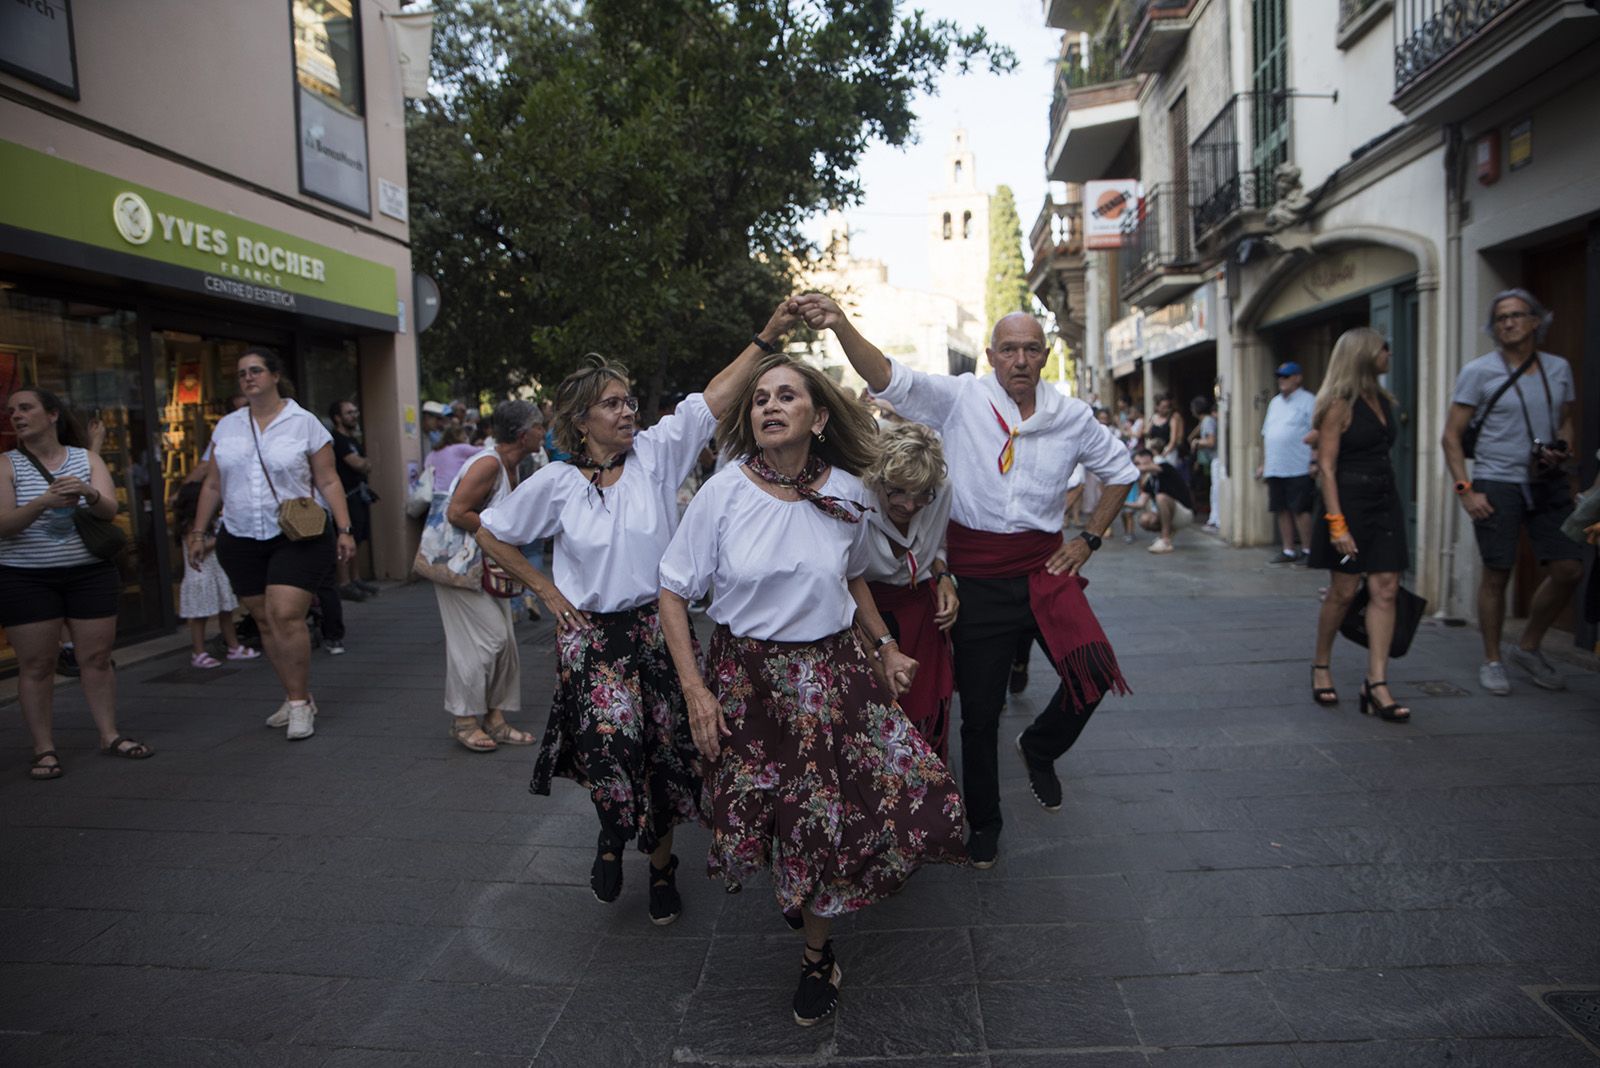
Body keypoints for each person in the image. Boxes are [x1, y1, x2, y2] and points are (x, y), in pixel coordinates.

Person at [658, 350, 965, 1026]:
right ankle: (804, 890)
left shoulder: (849, 492)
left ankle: (816, 955)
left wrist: (884, 647)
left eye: (786, 396)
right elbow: (673, 592)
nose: (770, 406)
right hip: (746, 683)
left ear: (819, 417)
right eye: (760, 398)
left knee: (842, 811)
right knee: (772, 815)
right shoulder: (723, 493)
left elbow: (851, 578)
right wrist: (695, 691)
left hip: (830, 677)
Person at [476, 305, 800, 926]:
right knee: (610, 755)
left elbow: (713, 398)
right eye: (612, 404)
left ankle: (660, 868)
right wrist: (545, 590)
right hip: (591, 639)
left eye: (629, 401)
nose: (628, 412)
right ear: (581, 420)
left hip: (657, 632)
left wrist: (767, 336)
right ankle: (610, 833)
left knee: (662, 761)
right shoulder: (557, 483)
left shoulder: (655, 455)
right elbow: (491, 533)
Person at [796, 294, 1136, 870]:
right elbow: (889, 377)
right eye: (1009, 349)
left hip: (1044, 567)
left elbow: (1121, 472)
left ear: (1045, 355)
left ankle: (1040, 747)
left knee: (1096, 671)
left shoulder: (1073, 416)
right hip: (975, 575)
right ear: (991, 355)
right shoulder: (961, 399)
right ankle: (985, 822)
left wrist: (1089, 539)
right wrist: (842, 325)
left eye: (1031, 349)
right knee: (979, 713)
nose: (1020, 360)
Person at [187, 347, 357, 741]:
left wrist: (344, 528)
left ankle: (298, 706)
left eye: (256, 370)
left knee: (285, 615)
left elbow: (329, 479)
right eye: (242, 373)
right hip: (240, 534)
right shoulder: (227, 427)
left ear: (275, 376)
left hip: (297, 534)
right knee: (265, 620)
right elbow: (212, 485)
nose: (248, 378)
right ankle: (297, 695)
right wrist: (198, 532)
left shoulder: (304, 423)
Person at [1, 387, 153, 779]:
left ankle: (109, 734)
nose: (16, 416)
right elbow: (3, 525)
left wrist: (87, 491)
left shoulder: (87, 459)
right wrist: (42, 503)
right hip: (26, 578)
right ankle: (44, 748)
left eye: (26, 408)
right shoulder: (6, 464)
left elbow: (109, 510)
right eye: (12, 411)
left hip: (89, 574)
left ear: (52, 414)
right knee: (37, 664)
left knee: (97, 658)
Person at [1442, 289, 1581, 695]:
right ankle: (1492, 659)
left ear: (1536, 322)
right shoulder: (1478, 372)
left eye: (1517, 315)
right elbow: (1450, 437)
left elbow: (1566, 420)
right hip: (1496, 481)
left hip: (1547, 481)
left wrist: (1563, 450)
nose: (1508, 323)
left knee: (1569, 569)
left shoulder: (1558, 368)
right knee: (1497, 573)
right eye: (1501, 318)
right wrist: (1466, 491)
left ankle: (1528, 646)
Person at [422, 401, 544, 754]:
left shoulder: (510, 465)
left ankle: (495, 719)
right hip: (460, 567)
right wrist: (501, 530)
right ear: (522, 434)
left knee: (506, 643)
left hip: (487, 566)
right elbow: (457, 512)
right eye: (539, 426)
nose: (544, 432)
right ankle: (464, 720)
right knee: (486, 641)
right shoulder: (488, 463)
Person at [1306, 328, 1411, 722]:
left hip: (1385, 501)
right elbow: (1327, 467)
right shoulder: (1338, 404)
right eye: (1384, 348)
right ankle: (1321, 664)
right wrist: (1337, 525)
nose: (1388, 354)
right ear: (1364, 354)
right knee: (1344, 591)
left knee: (1387, 588)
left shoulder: (1382, 399)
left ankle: (1376, 682)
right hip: (1348, 503)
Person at [859, 421, 958, 759]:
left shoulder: (941, 492)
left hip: (918, 608)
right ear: (879, 480)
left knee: (926, 709)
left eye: (922, 494)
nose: (910, 505)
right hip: (864, 613)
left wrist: (945, 577)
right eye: (898, 491)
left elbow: (937, 543)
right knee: (874, 715)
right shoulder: (857, 495)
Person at [172, 481, 259, 669]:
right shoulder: (192, 526)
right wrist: (219, 539)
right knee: (200, 616)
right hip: (201, 576)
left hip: (216, 573)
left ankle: (233, 646)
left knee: (226, 611)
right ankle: (199, 652)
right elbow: (197, 548)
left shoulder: (211, 523)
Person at [1260, 361, 1316, 563]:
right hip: (1276, 465)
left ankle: (1308, 550)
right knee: (1281, 509)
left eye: (1286, 376)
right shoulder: (1275, 403)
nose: (1281, 380)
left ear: (1297, 378)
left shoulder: (1309, 401)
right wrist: (1263, 463)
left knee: (1301, 509)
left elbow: (1317, 432)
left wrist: (1315, 460)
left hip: (1298, 465)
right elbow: (1267, 434)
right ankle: (1288, 549)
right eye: (1280, 377)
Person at [328, 399, 379, 602]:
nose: (354, 416)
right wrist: (363, 464)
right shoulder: (337, 441)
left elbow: (366, 465)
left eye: (355, 412)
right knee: (344, 536)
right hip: (345, 496)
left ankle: (355, 578)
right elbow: (358, 464)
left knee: (356, 538)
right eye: (349, 413)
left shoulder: (352, 440)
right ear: (337, 418)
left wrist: (364, 464)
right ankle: (344, 582)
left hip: (358, 494)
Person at [1131, 447, 1196, 554]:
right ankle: (1167, 534)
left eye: (1138, 463)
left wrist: (1131, 470)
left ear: (1147, 458)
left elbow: (1152, 468)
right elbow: (1140, 504)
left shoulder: (1165, 467)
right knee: (1144, 520)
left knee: (1161, 497)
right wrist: (1120, 503)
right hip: (1171, 514)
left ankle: (1165, 540)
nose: (1137, 466)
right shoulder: (1150, 481)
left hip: (1184, 512)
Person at [1189, 395, 1218, 528]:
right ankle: (1214, 519)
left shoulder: (1207, 421)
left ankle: (1214, 520)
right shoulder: (1206, 421)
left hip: (1216, 458)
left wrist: (1197, 442)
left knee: (1215, 491)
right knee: (1214, 490)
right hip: (1213, 459)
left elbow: (1211, 441)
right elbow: (1190, 436)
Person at [1144, 392, 1184, 468]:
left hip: (1168, 451)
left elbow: (1173, 440)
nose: (1166, 410)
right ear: (1157, 407)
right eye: (1163, 407)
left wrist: (1164, 453)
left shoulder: (1172, 419)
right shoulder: (1153, 418)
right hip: (1155, 451)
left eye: (1167, 407)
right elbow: (1147, 433)